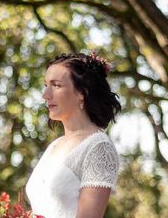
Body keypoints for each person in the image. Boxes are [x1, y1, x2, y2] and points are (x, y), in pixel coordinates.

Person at [25, 52, 122, 218]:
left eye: (55, 85)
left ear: (81, 92)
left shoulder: (99, 147)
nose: (45, 95)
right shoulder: (54, 146)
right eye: (46, 85)